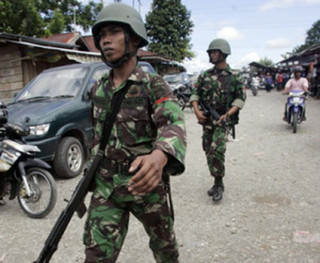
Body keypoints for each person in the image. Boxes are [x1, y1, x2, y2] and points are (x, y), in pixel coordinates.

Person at [84, 3, 186, 262]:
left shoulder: (153, 84)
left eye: (114, 32)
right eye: (101, 35)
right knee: (96, 256)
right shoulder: (98, 88)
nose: (105, 40)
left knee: (165, 251)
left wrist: (159, 157)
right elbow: (96, 135)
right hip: (107, 187)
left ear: (135, 38)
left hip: (145, 184)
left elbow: (173, 122)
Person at [190, 38, 246, 202]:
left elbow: (240, 98)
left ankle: (219, 183)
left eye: (216, 52)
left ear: (224, 53)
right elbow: (195, 94)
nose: (212, 55)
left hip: (224, 119)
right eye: (211, 52)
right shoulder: (205, 75)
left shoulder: (234, 76)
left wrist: (228, 114)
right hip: (208, 120)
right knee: (208, 150)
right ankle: (216, 179)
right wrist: (196, 112)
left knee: (217, 149)